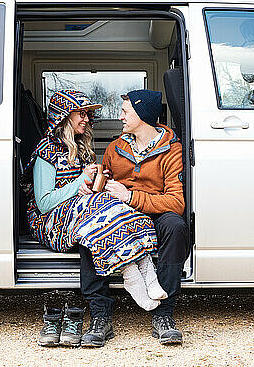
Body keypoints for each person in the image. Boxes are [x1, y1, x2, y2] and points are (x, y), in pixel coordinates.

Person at [23, 90, 168, 346]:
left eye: (88, 114)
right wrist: (80, 183)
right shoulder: (45, 151)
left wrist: (99, 182)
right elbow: (44, 204)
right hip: (49, 222)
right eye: (82, 113)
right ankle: (134, 272)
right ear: (64, 116)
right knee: (97, 214)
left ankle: (139, 268)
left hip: (80, 211)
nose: (87, 120)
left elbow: (87, 194)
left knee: (115, 202)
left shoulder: (82, 149)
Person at [78, 89, 190, 346]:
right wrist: (89, 185)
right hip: (119, 212)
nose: (120, 117)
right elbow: (103, 180)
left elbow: (176, 202)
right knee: (90, 230)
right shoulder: (116, 148)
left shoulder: (172, 150)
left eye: (125, 111)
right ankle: (100, 316)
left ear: (142, 115)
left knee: (176, 226)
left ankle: (164, 315)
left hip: (154, 210)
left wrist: (130, 197)